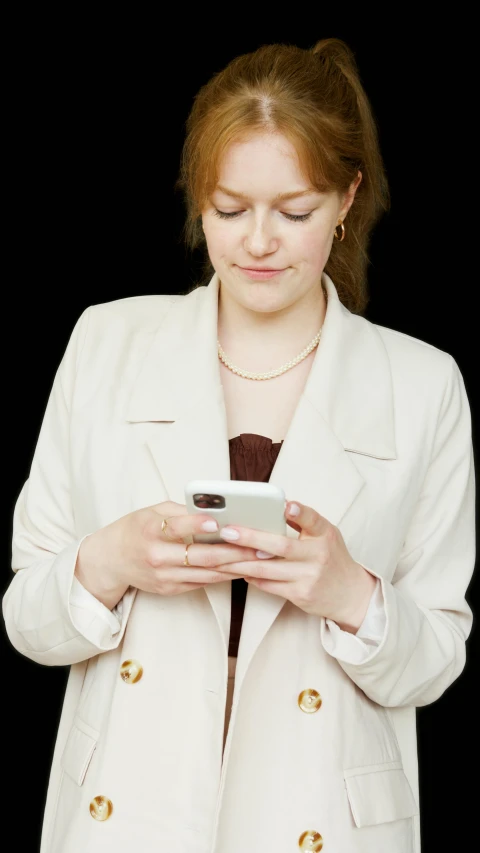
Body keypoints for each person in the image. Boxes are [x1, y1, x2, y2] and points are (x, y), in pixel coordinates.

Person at [2, 38, 475, 853]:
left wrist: (347, 591)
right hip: (130, 815)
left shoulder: (423, 383)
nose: (257, 241)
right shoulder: (106, 342)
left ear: (347, 198)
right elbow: (28, 620)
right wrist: (110, 560)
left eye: (293, 212)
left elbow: (434, 661)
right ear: (198, 199)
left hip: (320, 818)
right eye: (228, 209)